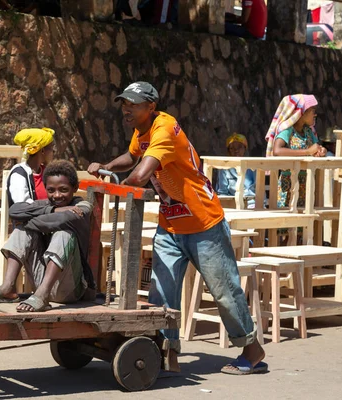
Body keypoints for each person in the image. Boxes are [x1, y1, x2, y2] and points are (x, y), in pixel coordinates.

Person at [88, 81, 266, 375]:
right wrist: (106, 166)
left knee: (223, 290)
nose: (126, 109)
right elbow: (133, 157)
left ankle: (252, 348)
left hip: (203, 222)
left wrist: (109, 184)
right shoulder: (142, 131)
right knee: (161, 291)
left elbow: (141, 175)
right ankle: (166, 352)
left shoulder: (164, 130)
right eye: (124, 103)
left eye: (133, 104)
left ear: (151, 107)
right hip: (170, 224)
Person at [0, 160, 96, 312]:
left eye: (63, 190)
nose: (57, 195)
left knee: (63, 234)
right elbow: (14, 211)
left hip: (70, 288)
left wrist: (27, 221)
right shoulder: (47, 204)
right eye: (51, 190)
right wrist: (52, 210)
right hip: (41, 282)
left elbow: (65, 219)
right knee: (22, 231)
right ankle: (8, 286)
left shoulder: (81, 207)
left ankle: (43, 295)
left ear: (75, 188)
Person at [265, 94, 327, 208]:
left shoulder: (308, 131)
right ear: (301, 113)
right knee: (286, 219)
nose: (315, 114)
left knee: (304, 220)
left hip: (306, 183)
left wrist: (321, 150)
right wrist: (307, 151)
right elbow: (277, 151)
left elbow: (315, 146)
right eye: (312, 111)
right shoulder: (287, 130)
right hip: (289, 184)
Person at [7, 128, 56, 207]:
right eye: (51, 148)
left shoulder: (46, 171)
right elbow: (23, 205)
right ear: (42, 151)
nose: (53, 152)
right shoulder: (19, 174)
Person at [216, 133, 256, 209]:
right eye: (232, 148)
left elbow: (255, 189)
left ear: (245, 148)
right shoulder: (224, 168)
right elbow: (222, 191)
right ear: (228, 151)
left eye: (239, 147)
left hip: (250, 201)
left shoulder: (252, 166)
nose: (236, 150)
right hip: (231, 202)